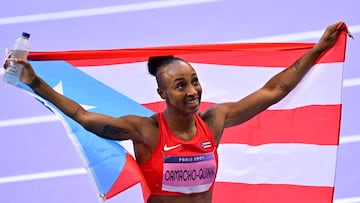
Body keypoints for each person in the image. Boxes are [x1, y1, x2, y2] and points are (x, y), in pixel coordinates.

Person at [3, 22, 351, 203]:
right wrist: (34, 82)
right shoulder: (145, 131)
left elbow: (274, 90)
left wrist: (318, 50)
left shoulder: (215, 121)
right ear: (162, 93)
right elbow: (82, 115)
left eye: (195, 81)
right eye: (181, 85)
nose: (193, 91)